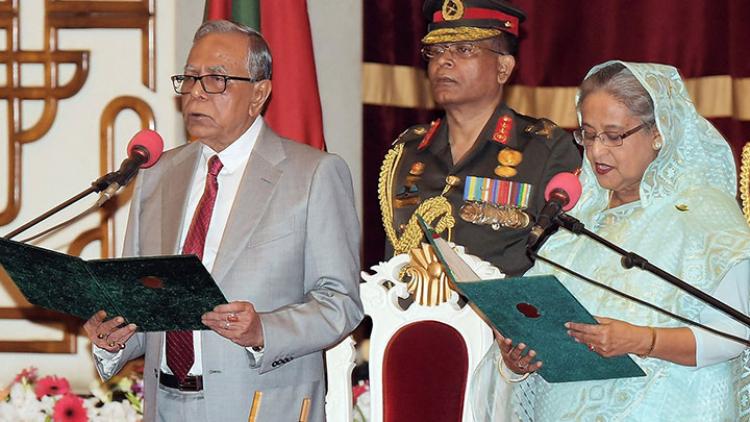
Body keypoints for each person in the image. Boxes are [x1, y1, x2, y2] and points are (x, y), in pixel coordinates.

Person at [82, 20, 363, 421]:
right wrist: (113, 339)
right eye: (190, 78)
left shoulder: (312, 175)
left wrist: (264, 329)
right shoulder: (156, 176)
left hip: (262, 405)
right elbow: (142, 303)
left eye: (216, 79)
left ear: (259, 94)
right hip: (164, 403)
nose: (196, 92)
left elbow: (341, 303)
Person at [472, 61, 750, 421]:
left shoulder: (703, 213)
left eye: (614, 135)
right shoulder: (577, 223)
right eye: (588, 134)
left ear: (657, 132)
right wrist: (518, 359)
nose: (597, 152)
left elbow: (733, 334)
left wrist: (641, 339)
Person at [379, 0, 581, 276]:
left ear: (503, 68)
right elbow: (394, 263)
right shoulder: (408, 150)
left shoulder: (544, 148)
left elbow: (564, 263)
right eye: (435, 51)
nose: (443, 60)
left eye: (464, 49)